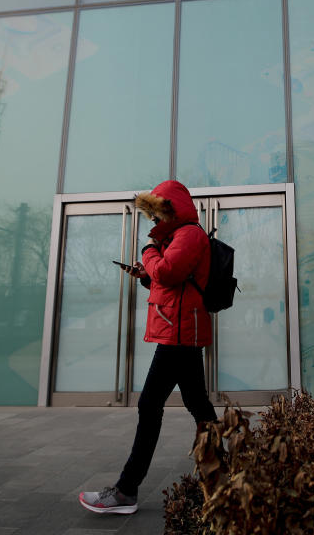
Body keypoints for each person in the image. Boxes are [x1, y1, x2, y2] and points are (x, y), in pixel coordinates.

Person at [79, 180, 217, 515]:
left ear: (171, 210)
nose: (153, 223)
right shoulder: (177, 237)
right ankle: (220, 477)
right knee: (198, 405)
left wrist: (148, 253)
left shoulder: (189, 234)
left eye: (157, 215)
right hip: (179, 331)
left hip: (179, 334)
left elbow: (168, 272)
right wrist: (146, 274)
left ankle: (126, 491)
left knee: (149, 405)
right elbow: (169, 279)